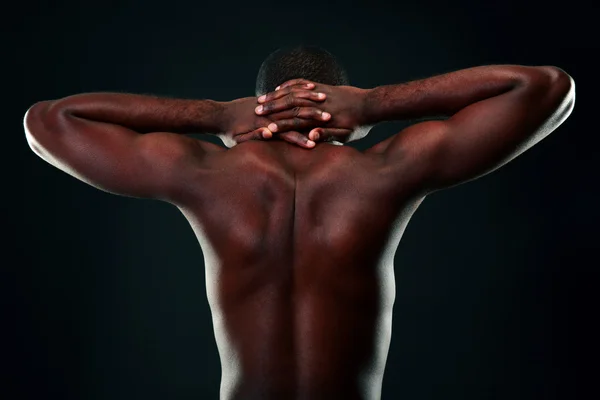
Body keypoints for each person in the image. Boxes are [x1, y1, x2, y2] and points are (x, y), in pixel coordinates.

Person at [23, 45, 575, 399]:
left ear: (262, 102)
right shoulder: (386, 171)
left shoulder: (205, 173)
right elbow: (547, 87)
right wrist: (372, 104)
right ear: (340, 113)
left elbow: (50, 121)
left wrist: (217, 114)